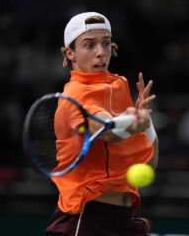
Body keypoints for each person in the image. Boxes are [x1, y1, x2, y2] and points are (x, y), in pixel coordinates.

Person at [45, 12, 159, 236]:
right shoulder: (74, 96)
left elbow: (149, 164)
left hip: (123, 220)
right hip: (86, 219)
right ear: (70, 53)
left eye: (106, 44)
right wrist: (132, 120)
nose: (100, 52)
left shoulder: (118, 88)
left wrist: (146, 124)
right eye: (89, 45)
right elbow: (108, 131)